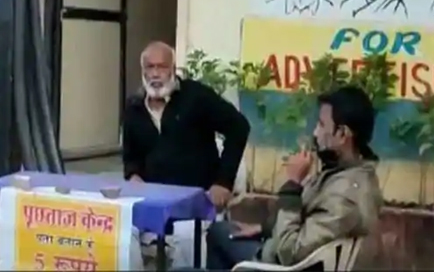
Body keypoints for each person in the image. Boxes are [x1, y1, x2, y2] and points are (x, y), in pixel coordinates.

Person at [206, 85, 383, 270]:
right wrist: (266, 229)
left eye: (322, 125)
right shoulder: (345, 173)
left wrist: (293, 185)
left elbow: (289, 252)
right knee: (219, 231)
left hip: (278, 264)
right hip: (280, 250)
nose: (315, 133)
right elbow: (309, 222)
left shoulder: (345, 198)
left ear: (342, 134)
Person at [123, 41, 251, 266]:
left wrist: (223, 182)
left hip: (195, 202)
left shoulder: (196, 97)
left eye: (162, 67)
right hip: (154, 203)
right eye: (150, 67)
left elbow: (239, 127)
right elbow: (131, 157)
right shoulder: (134, 107)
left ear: (173, 69)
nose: (155, 74)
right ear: (143, 71)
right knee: (122, 235)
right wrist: (133, 176)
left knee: (187, 238)